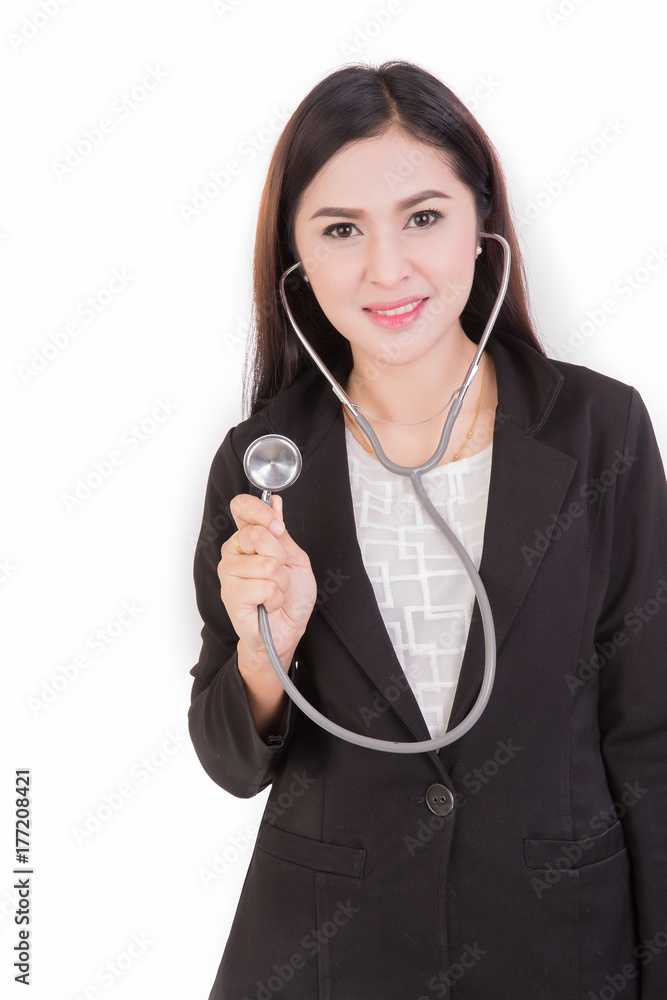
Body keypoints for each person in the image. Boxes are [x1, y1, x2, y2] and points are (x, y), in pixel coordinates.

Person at [188, 60, 667, 1000]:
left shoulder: (598, 431)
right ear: (296, 256)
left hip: (558, 949)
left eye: (422, 217)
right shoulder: (261, 460)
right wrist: (263, 656)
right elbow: (228, 761)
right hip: (326, 958)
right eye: (339, 230)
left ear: (480, 228)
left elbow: (650, 732)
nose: (386, 269)